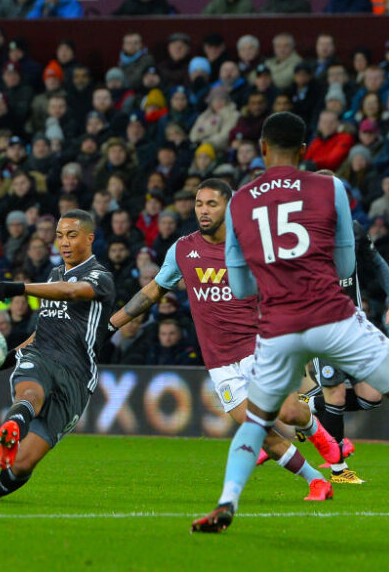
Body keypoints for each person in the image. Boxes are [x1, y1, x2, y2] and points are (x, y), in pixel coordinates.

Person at [191, 112, 389, 535]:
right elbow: (343, 263)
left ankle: (227, 502)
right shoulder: (330, 186)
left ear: (262, 148)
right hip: (333, 317)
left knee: (257, 421)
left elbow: (243, 287)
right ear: (305, 151)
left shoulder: (241, 201)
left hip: (278, 327)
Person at [109, 178, 340, 501]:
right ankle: (316, 480)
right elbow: (152, 291)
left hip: (258, 347)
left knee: (288, 412)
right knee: (259, 433)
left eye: (211, 204)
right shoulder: (183, 250)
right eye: (199, 204)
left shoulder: (252, 245)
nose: (203, 211)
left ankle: (316, 430)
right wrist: (113, 324)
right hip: (219, 361)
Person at [0, 210, 114, 501]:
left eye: (72, 235)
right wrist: (9, 356)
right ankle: (14, 427)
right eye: (59, 236)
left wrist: (19, 287)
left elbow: (72, 292)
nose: (64, 242)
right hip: (40, 355)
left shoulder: (100, 277)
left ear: (90, 238)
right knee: (30, 392)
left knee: (22, 465)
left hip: (77, 375)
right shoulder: (55, 275)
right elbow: (42, 329)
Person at [302, 172, 389, 484]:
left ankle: (311, 404)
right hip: (322, 324)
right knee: (335, 394)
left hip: (353, 324)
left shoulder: (354, 230)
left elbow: (377, 264)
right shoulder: (299, 236)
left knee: (371, 397)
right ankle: (338, 470)